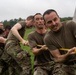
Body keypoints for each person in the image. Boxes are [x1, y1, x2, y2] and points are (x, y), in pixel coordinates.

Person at [43, 9, 76, 75]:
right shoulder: (48, 38)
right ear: (45, 24)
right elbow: (58, 58)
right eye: (49, 22)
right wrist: (68, 54)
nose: (54, 23)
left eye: (55, 19)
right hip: (66, 65)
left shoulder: (71, 25)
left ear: (59, 18)